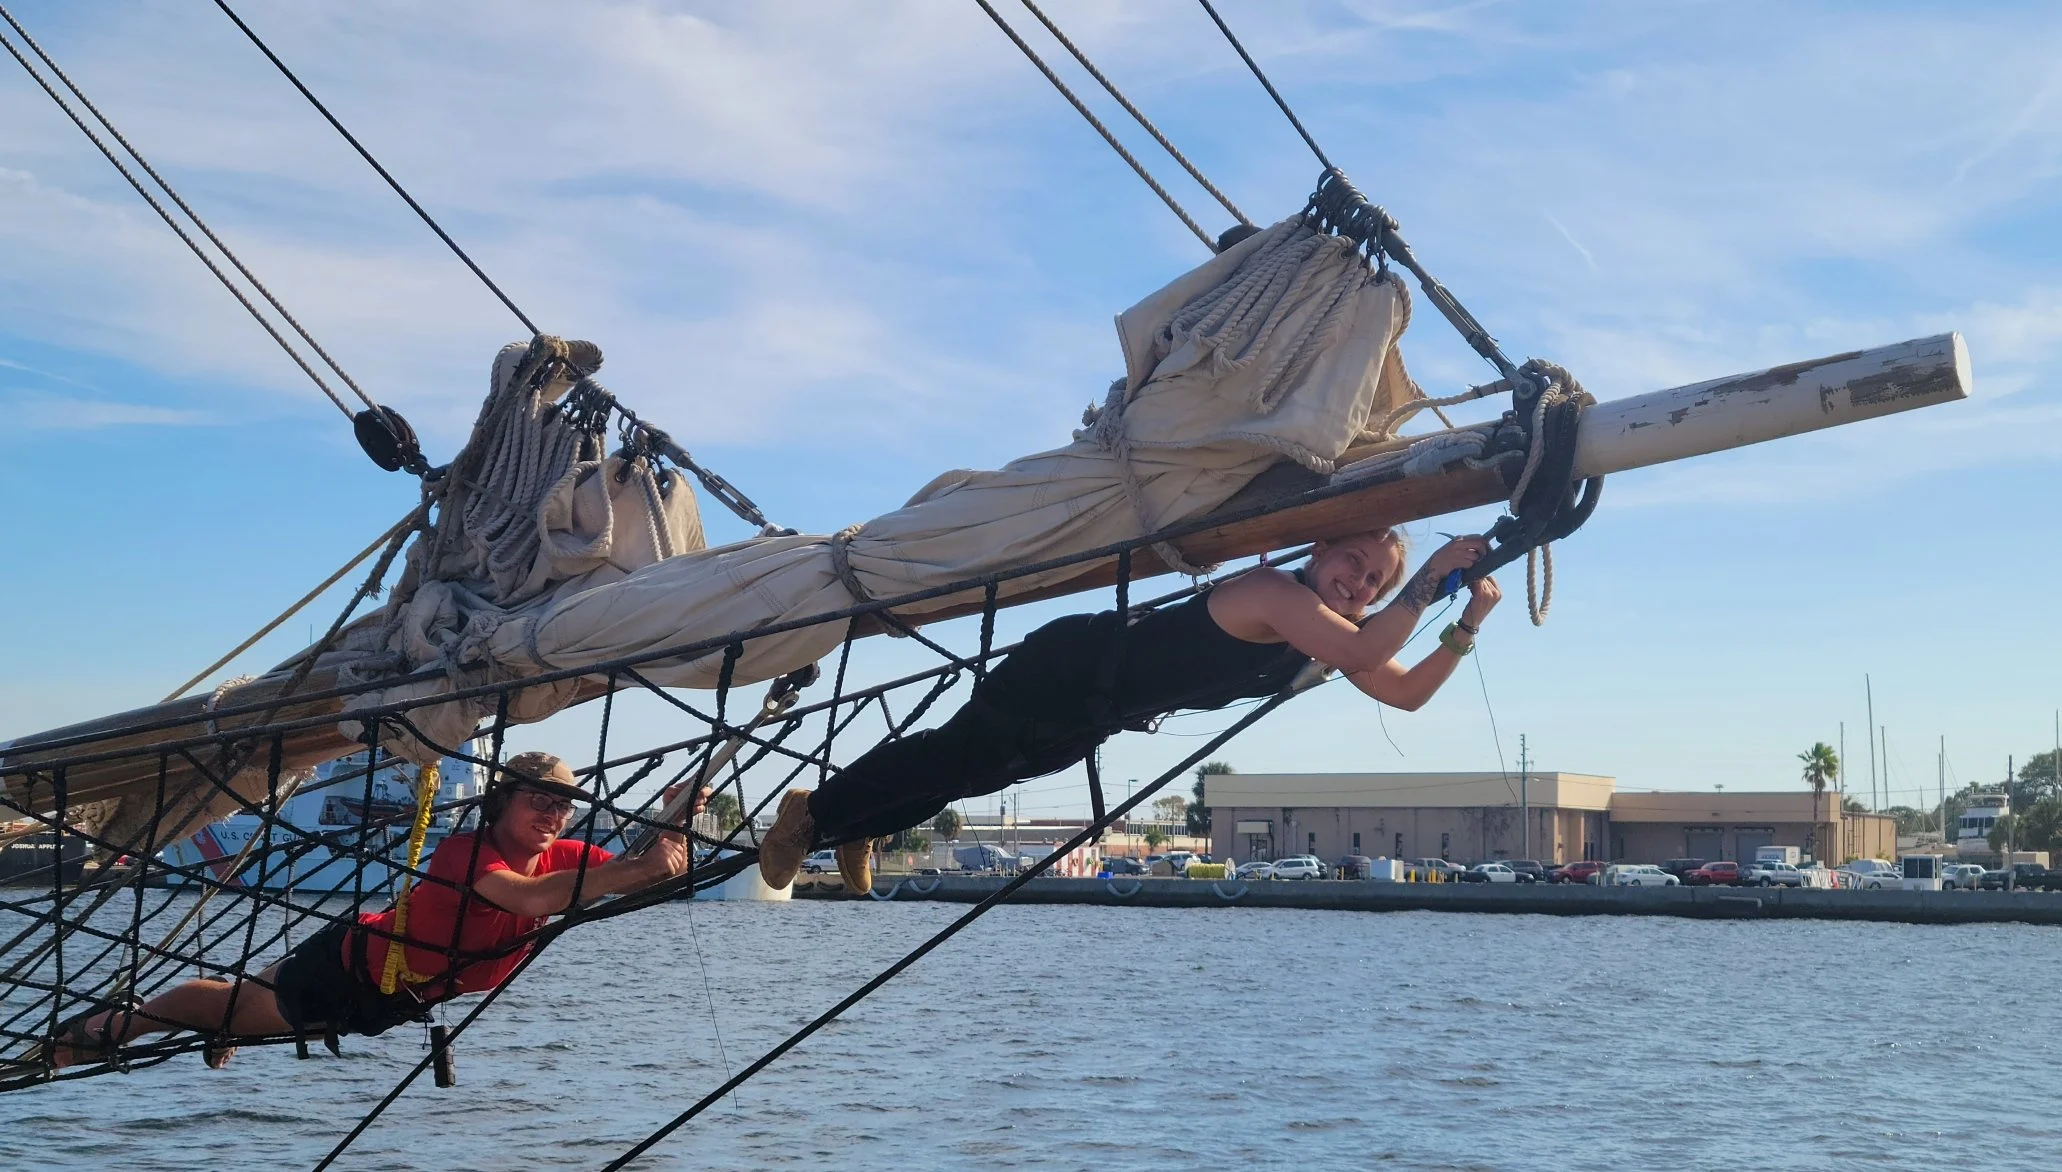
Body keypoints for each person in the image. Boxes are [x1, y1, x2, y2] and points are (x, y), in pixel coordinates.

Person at [758, 528, 1501, 892]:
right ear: (1320, 552)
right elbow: (1370, 651)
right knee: (950, 757)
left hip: (1096, 710)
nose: (1358, 583)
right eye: (1352, 561)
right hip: (1070, 666)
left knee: (971, 777)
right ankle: (811, 814)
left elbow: (1404, 692)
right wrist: (1433, 574)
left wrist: (1465, 626)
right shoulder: (1276, 594)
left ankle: (858, 823)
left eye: (1374, 582)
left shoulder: (1325, 639)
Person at [49, 751, 701, 1070]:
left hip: (384, 984)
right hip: (351, 972)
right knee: (227, 1012)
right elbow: (531, 898)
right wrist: (639, 868)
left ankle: (153, 1022)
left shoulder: (566, 856)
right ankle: (105, 1028)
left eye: (562, 805)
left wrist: (675, 820)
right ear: (501, 802)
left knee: (238, 1006)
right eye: (538, 800)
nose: (552, 815)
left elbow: (627, 870)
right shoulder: (466, 853)